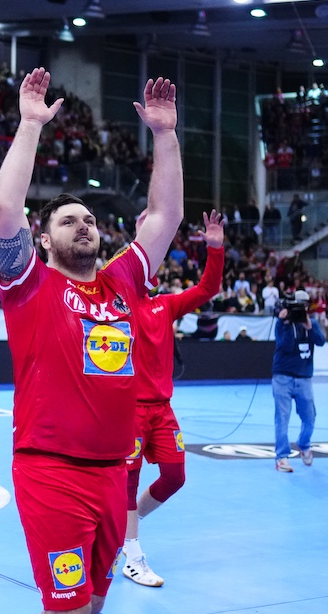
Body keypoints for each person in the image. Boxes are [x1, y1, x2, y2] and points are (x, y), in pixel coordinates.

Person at [0, 69, 182, 614]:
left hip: (112, 476)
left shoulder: (123, 286)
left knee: (87, 603)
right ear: (43, 239)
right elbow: (4, 205)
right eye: (66, 220)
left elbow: (165, 214)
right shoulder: (29, 285)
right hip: (49, 472)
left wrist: (164, 135)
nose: (82, 227)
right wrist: (32, 122)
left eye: (88, 221)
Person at [118, 211, 224, 588]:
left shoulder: (165, 305)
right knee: (127, 484)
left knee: (175, 476)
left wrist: (215, 249)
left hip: (162, 410)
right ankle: (132, 554)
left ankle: (125, 529)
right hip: (129, 410)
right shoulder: (118, 299)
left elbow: (208, 289)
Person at [272, 290, 326, 472]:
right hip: (283, 377)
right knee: (282, 417)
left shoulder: (312, 324)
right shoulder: (282, 324)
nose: (302, 309)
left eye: (304, 306)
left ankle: (304, 443)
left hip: (304, 378)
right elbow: (286, 345)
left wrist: (309, 325)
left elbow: (321, 341)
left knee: (310, 416)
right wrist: (285, 322)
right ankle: (281, 456)